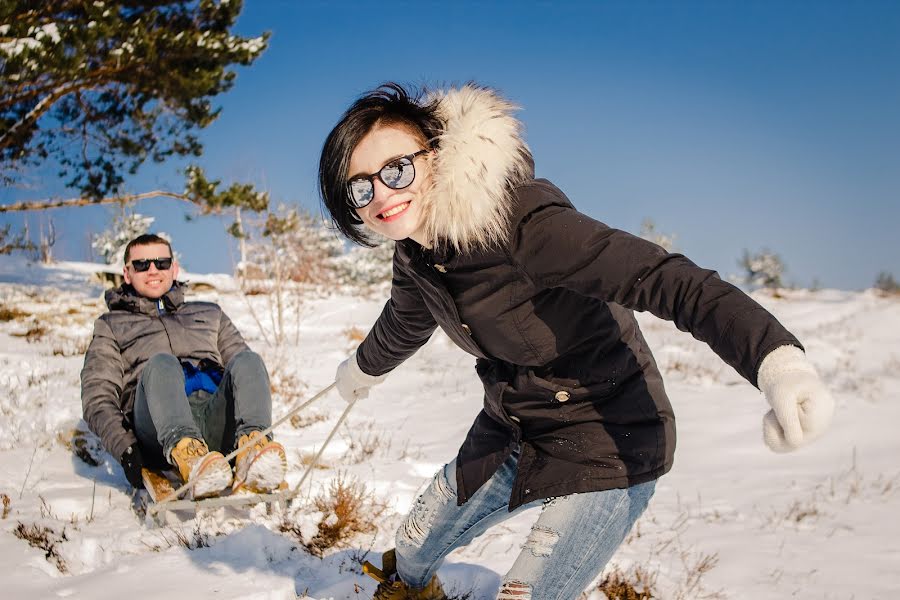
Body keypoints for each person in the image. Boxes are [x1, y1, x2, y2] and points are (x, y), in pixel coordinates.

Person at [319, 83, 834, 600]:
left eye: (396, 169)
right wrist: (361, 370)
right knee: (409, 553)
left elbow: (671, 281)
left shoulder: (523, 223)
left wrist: (777, 363)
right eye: (360, 188)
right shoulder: (415, 254)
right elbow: (405, 322)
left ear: (436, 153)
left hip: (607, 438)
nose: (382, 195)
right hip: (512, 428)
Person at [81, 234, 286, 500]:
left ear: (174, 268)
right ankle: (188, 455)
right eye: (142, 265)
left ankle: (253, 449)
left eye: (161, 262)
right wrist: (126, 448)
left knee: (249, 360)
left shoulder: (210, 313)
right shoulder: (111, 325)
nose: (153, 270)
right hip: (157, 431)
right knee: (162, 363)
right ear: (127, 273)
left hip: (214, 418)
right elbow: (97, 396)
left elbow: (247, 375)